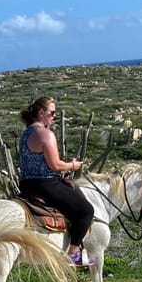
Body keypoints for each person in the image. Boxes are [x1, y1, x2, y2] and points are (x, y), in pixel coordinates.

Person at [18, 96, 95, 267]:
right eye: (52, 113)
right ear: (40, 113)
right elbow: (55, 165)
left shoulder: (26, 134)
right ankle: (73, 253)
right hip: (46, 184)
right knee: (86, 211)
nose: (54, 117)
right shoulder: (46, 134)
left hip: (26, 184)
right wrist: (73, 165)